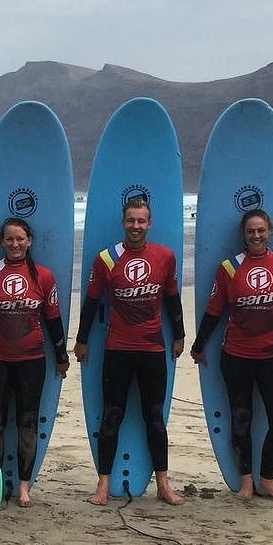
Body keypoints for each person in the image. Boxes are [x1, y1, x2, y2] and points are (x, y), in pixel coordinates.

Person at [74, 197, 185, 507]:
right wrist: (82, 339)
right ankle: (103, 484)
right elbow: (92, 303)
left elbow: (172, 300)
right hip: (118, 349)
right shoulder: (106, 259)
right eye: (131, 221)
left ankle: (163, 484)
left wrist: (180, 335)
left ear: (149, 224)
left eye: (141, 221)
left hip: (152, 349)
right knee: (112, 415)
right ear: (123, 223)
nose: (136, 226)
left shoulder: (164, 257)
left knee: (155, 418)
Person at [190, 210, 273, 500]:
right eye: (251, 231)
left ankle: (266, 479)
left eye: (261, 230)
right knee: (241, 419)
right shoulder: (229, 268)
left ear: (270, 231)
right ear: (243, 235)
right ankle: (245, 481)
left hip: (270, 356)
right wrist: (199, 345)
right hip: (236, 356)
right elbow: (214, 310)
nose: (256, 235)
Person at [0, 217, 69, 508]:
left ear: (30, 241)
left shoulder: (43, 276)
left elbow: (52, 319)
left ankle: (24, 486)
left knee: (27, 423)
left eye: (20, 239)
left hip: (32, 361)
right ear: (2, 242)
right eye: (9, 239)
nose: (15, 244)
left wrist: (61, 356)